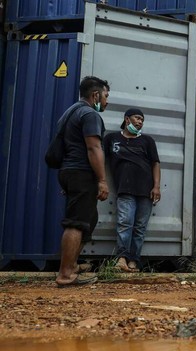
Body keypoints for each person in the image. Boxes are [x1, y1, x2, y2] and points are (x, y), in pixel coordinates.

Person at [55, 76, 110, 287]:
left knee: (89, 219)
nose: (106, 101)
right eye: (105, 96)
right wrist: (102, 180)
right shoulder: (89, 114)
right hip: (81, 172)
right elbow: (93, 148)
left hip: (69, 172)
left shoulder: (69, 112)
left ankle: (72, 265)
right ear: (95, 95)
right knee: (76, 223)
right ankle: (65, 274)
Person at [103, 108, 161, 272]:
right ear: (127, 119)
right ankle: (121, 258)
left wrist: (156, 186)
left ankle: (133, 261)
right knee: (124, 223)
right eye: (137, 118)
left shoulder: (147, 141)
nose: (140, 122)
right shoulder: (112, 139)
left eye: (142, 120)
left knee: (140, 227)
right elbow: (99, 158)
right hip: (125, 189)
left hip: (146, 191)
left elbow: (155, 163)